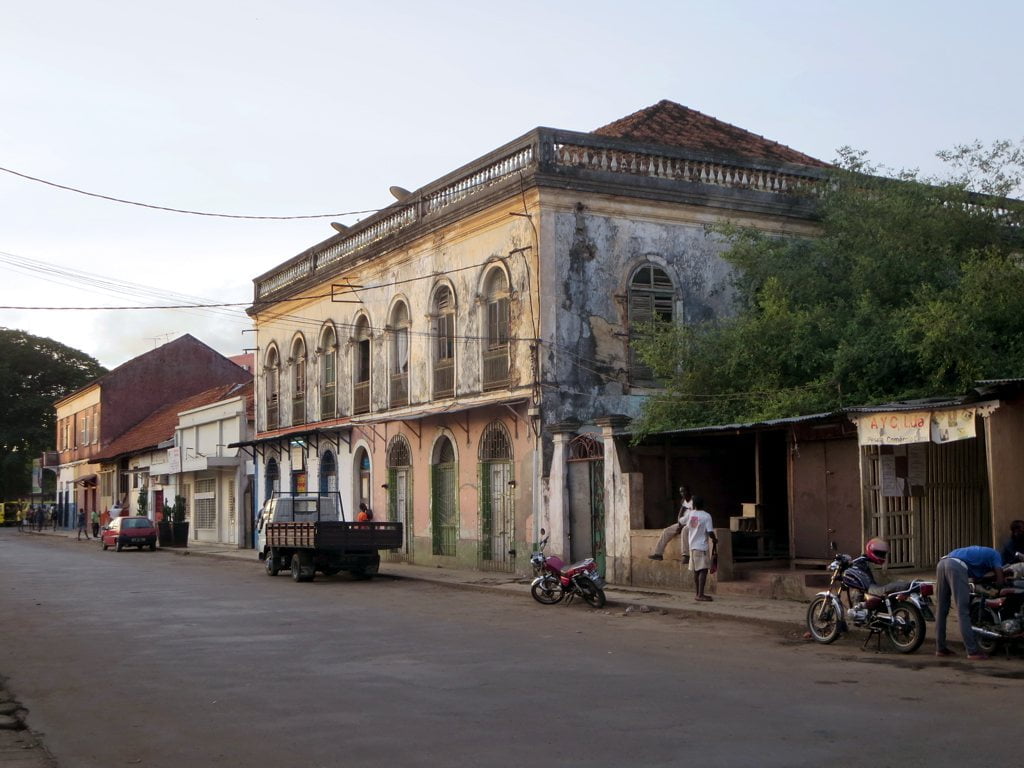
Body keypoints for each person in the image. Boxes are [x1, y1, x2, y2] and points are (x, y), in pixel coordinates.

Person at [935, 545, 1004, 661]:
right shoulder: (996, 555)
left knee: (941, 609)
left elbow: (976, 579)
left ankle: (940, 648)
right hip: (956, 567)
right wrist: (1000, 588)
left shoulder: (981, 554)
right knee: (963, 611)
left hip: (942, 563)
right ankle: (972, 651)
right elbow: (1000, 576)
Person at [681, 495, 717, 602]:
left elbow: (692, 528)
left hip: (692, 546)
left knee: (696, 571)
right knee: (703, 570)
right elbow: (710, 532)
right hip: (701, 547)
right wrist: (715, 540)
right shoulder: (706, 516)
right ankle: (700, 595)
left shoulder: (692, 515)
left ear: (694, 505)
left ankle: (697, 593)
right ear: (703, 504)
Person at [649, 485, 693, 561]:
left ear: (688, 491)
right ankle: (658, 554)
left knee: (684, 531)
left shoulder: (694, 500)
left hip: (691, 524)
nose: (682, 493)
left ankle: (686, 555)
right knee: (666, 531)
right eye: (681, 492)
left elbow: (695, 516)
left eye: (684, 491)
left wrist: (682, 527)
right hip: (682, 523)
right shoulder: (683, 501)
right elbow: (680, 513)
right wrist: (679, 524)